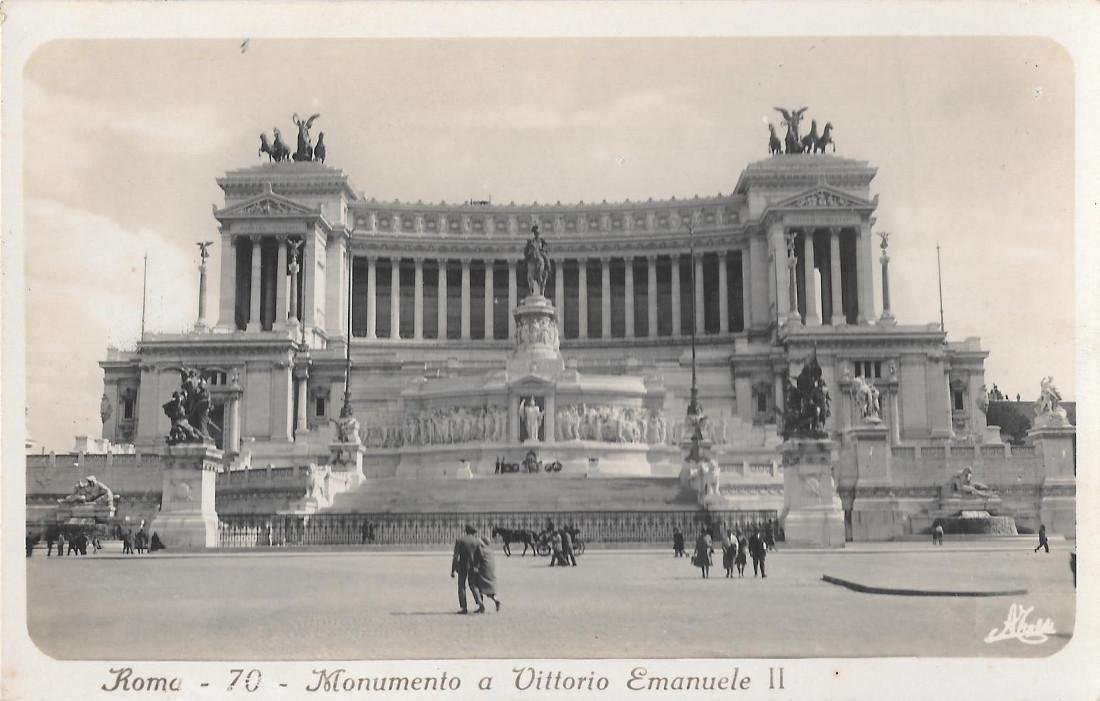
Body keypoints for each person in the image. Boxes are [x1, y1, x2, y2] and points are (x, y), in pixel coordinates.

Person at [451, 524, 484, 613]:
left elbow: (455, 556)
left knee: (461, 586)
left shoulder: (460, 540)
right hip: (474, 567)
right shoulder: (477, 541)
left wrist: (453, 570)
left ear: (466, 531)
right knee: (473, 585)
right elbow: (481, 556)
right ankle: (480, 602)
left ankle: (464, 607)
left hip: (462, 566)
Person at [474, 535, 502, 612]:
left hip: (483, 571)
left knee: (476, 586)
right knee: (489, 589)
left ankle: (480, 605)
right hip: (490, 571)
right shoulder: (490, 551)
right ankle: (496, 600)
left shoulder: (480, 550)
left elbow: (476, 561)